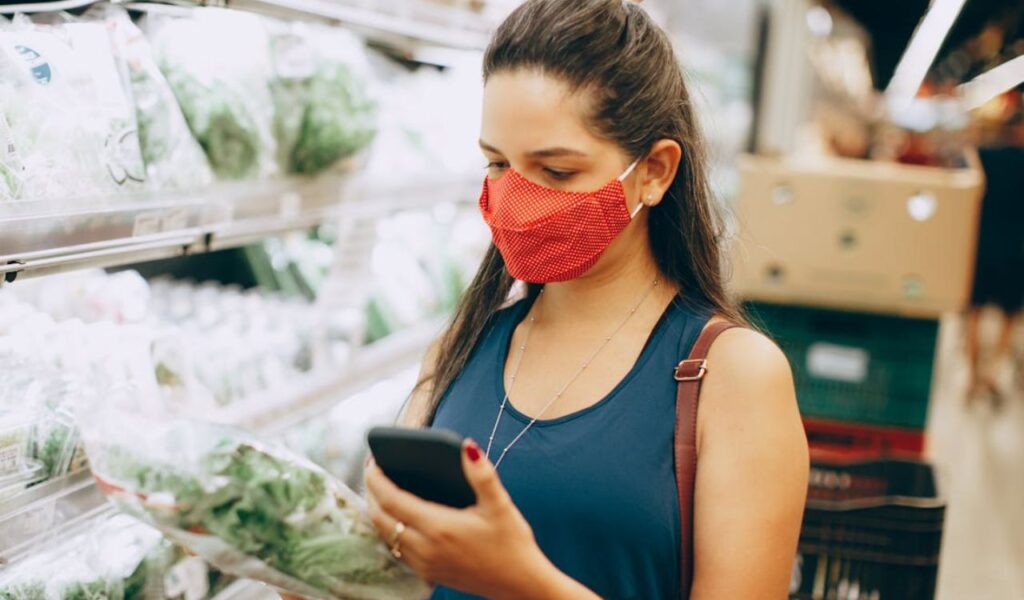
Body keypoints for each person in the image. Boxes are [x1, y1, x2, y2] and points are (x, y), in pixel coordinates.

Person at [353, 1, 809, 599]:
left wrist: (522, 582)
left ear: (654, 171)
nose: (514, 200)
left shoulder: (733, 377)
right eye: (496, 164)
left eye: (557, 172)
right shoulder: (459, 349)